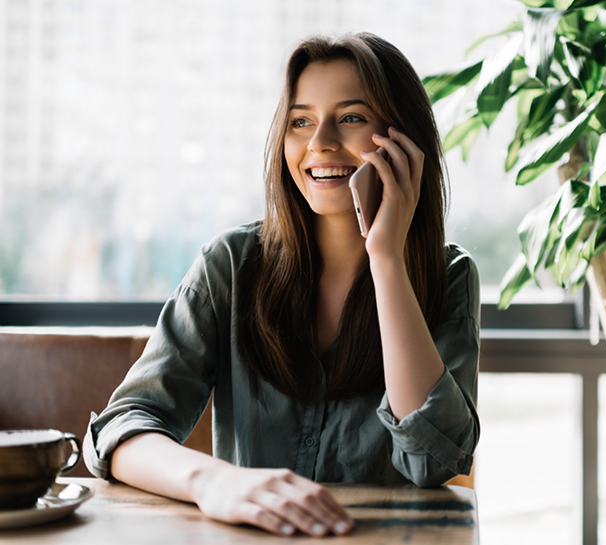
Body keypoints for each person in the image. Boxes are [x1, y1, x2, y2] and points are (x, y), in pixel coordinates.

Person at [84, 32, 480, 538]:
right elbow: (122, 428)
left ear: (402, 139)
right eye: (301, 121)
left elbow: (433, 458)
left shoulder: (449, 276)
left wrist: (385, 256)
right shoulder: (231, 264)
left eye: (351, 117)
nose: (320, 143)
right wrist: (214, 481)